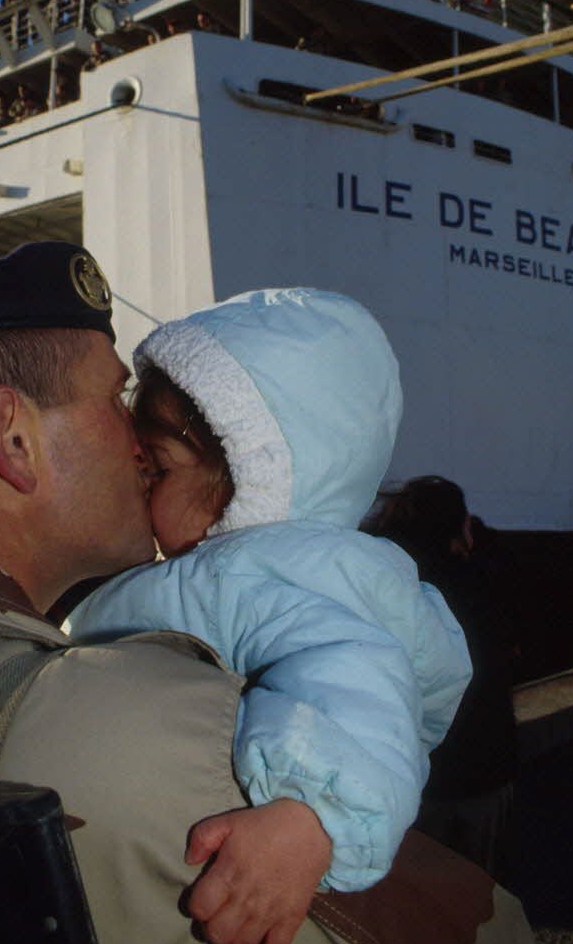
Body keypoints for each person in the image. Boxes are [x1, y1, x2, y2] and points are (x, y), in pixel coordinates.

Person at [0, 248, 540, 944]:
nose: (138, 442)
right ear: (12, 439)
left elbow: (350, 670)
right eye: (115, 401)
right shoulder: (160, 731)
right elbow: (491, 940)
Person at [66, 288, 472, 898]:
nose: (142, 482)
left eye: (159, 467)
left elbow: (353, 672)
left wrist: (311, 817)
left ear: (248, 479)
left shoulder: (252, 576)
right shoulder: (261, 568)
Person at [363, 476, 519, 882]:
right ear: (461, 525)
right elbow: (515, 646)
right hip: (482, 768)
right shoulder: (485, 582)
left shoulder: (388, 581)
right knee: (475, 889)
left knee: (410, 896)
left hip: (412, 771)